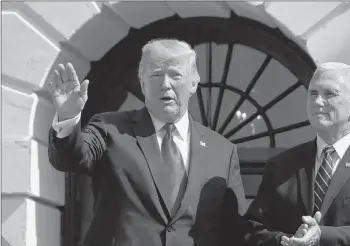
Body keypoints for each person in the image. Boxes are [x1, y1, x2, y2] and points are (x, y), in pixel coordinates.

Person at [48, 39, 246, 246]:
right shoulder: (110, 128)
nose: (165, 84)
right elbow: (70, 158)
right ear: (142, 83)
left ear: (193, 83)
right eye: (156, 75)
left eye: (175, 75)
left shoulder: (223, 151)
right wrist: (68, 118)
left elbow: (238, 228)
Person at [242, 62, 350, 246]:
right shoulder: (281, 165)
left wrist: (321, 236)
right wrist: (286, 241)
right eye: (313, 93)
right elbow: (252, 230)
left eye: (329, 94)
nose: (317, 101)